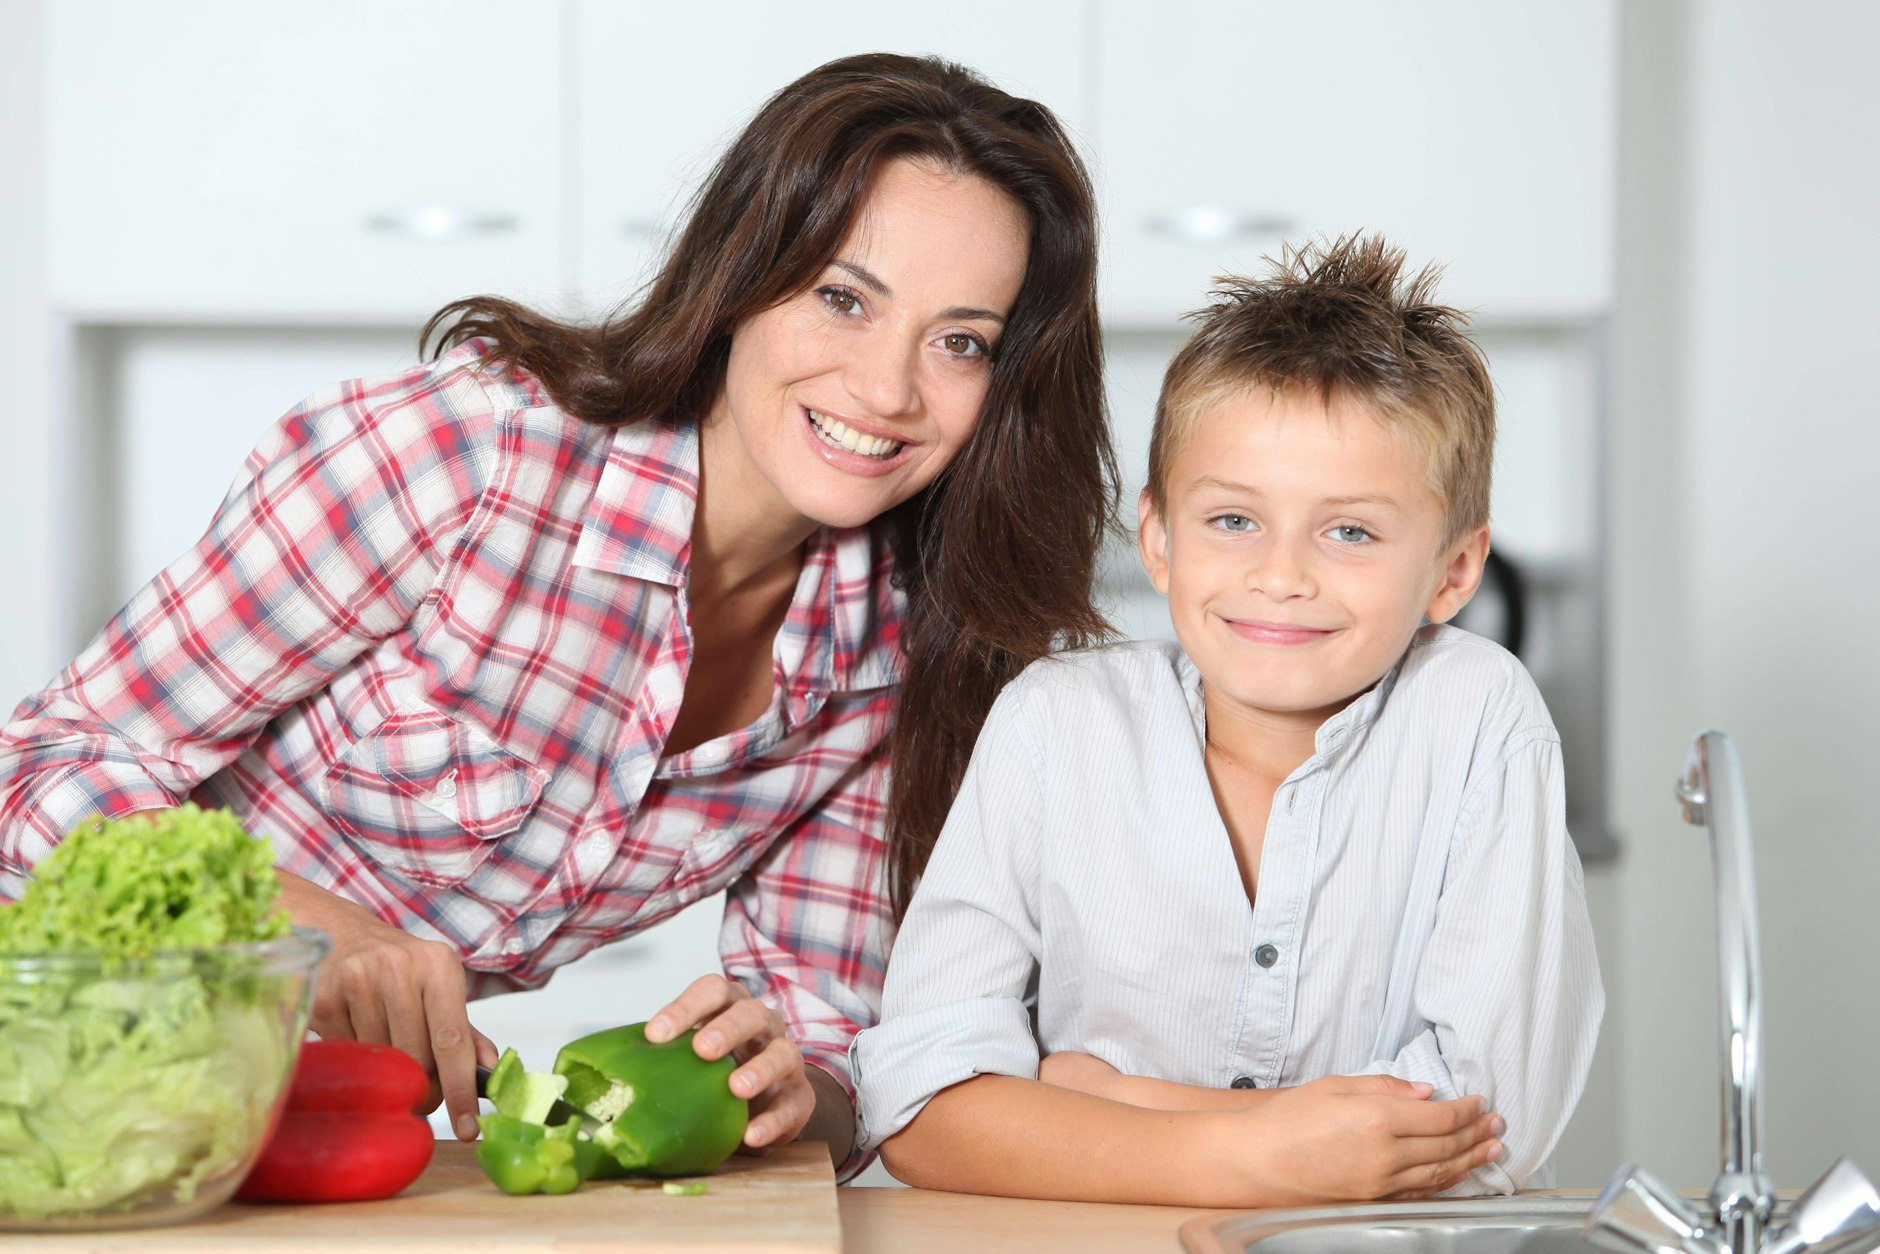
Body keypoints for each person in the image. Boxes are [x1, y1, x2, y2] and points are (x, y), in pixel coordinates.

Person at [0, 53, 1116, 1179]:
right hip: (41, 1053)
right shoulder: (455, 464)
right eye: (842, 298)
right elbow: (41, 766)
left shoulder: (898, 654)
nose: (888, 390)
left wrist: (780, 1089)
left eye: (960, 340)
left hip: (271, 1130)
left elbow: (828, 1045)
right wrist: (287, 923)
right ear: (738, 276)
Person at [851, 234, 1604, 1204]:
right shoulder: (1057, 722)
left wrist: (1124, 1101)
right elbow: (919, 1102)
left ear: (1453, 571)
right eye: (1233, 521)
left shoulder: (1475, 717)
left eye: (1349, 532)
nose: (1280, 576)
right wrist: (1256, 1152)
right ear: (1158, 541)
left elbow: (1483, 1130)